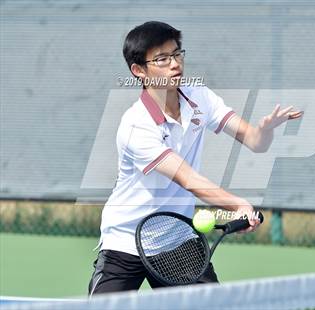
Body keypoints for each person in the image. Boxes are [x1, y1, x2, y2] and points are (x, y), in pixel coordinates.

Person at [88, 21, 303, 295]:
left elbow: (254, 142)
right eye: (162, 59)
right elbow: (188, 179)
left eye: (177, 54)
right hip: (126, 241)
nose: (175, 64)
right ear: (139, 70)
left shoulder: (200, 97)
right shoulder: (136, 125)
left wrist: (265, 130)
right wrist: (237, 203)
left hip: (177, 239)